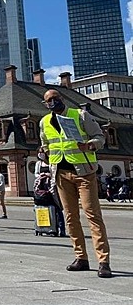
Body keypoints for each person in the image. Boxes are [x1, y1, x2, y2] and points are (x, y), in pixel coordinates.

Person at [40, 89, 112, 278]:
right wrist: (45, 153)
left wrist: (89, 145)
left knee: (93, 215)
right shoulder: (44, 122)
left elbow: (100, 137)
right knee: (70, 217)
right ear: (45, 104)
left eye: (56, 98)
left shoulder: (80, 115)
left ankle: (103, 261)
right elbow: (46, 144)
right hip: (61, 174)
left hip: (84, 172)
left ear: (62, 99)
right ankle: (81, 257)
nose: (53, 102)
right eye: (49, 100)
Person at [34, 147, 66, 237]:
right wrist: (41, 175)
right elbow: (36, 174)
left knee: (57, 207)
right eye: (39, 153)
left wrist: (49, 175)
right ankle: (42, 227)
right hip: (41, 187)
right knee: (41, 207)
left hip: (52, 187)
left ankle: (61, 228)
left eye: (42, 152)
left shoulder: (52, 162)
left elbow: (55, 173)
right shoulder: (38, 163)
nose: (41, 154)